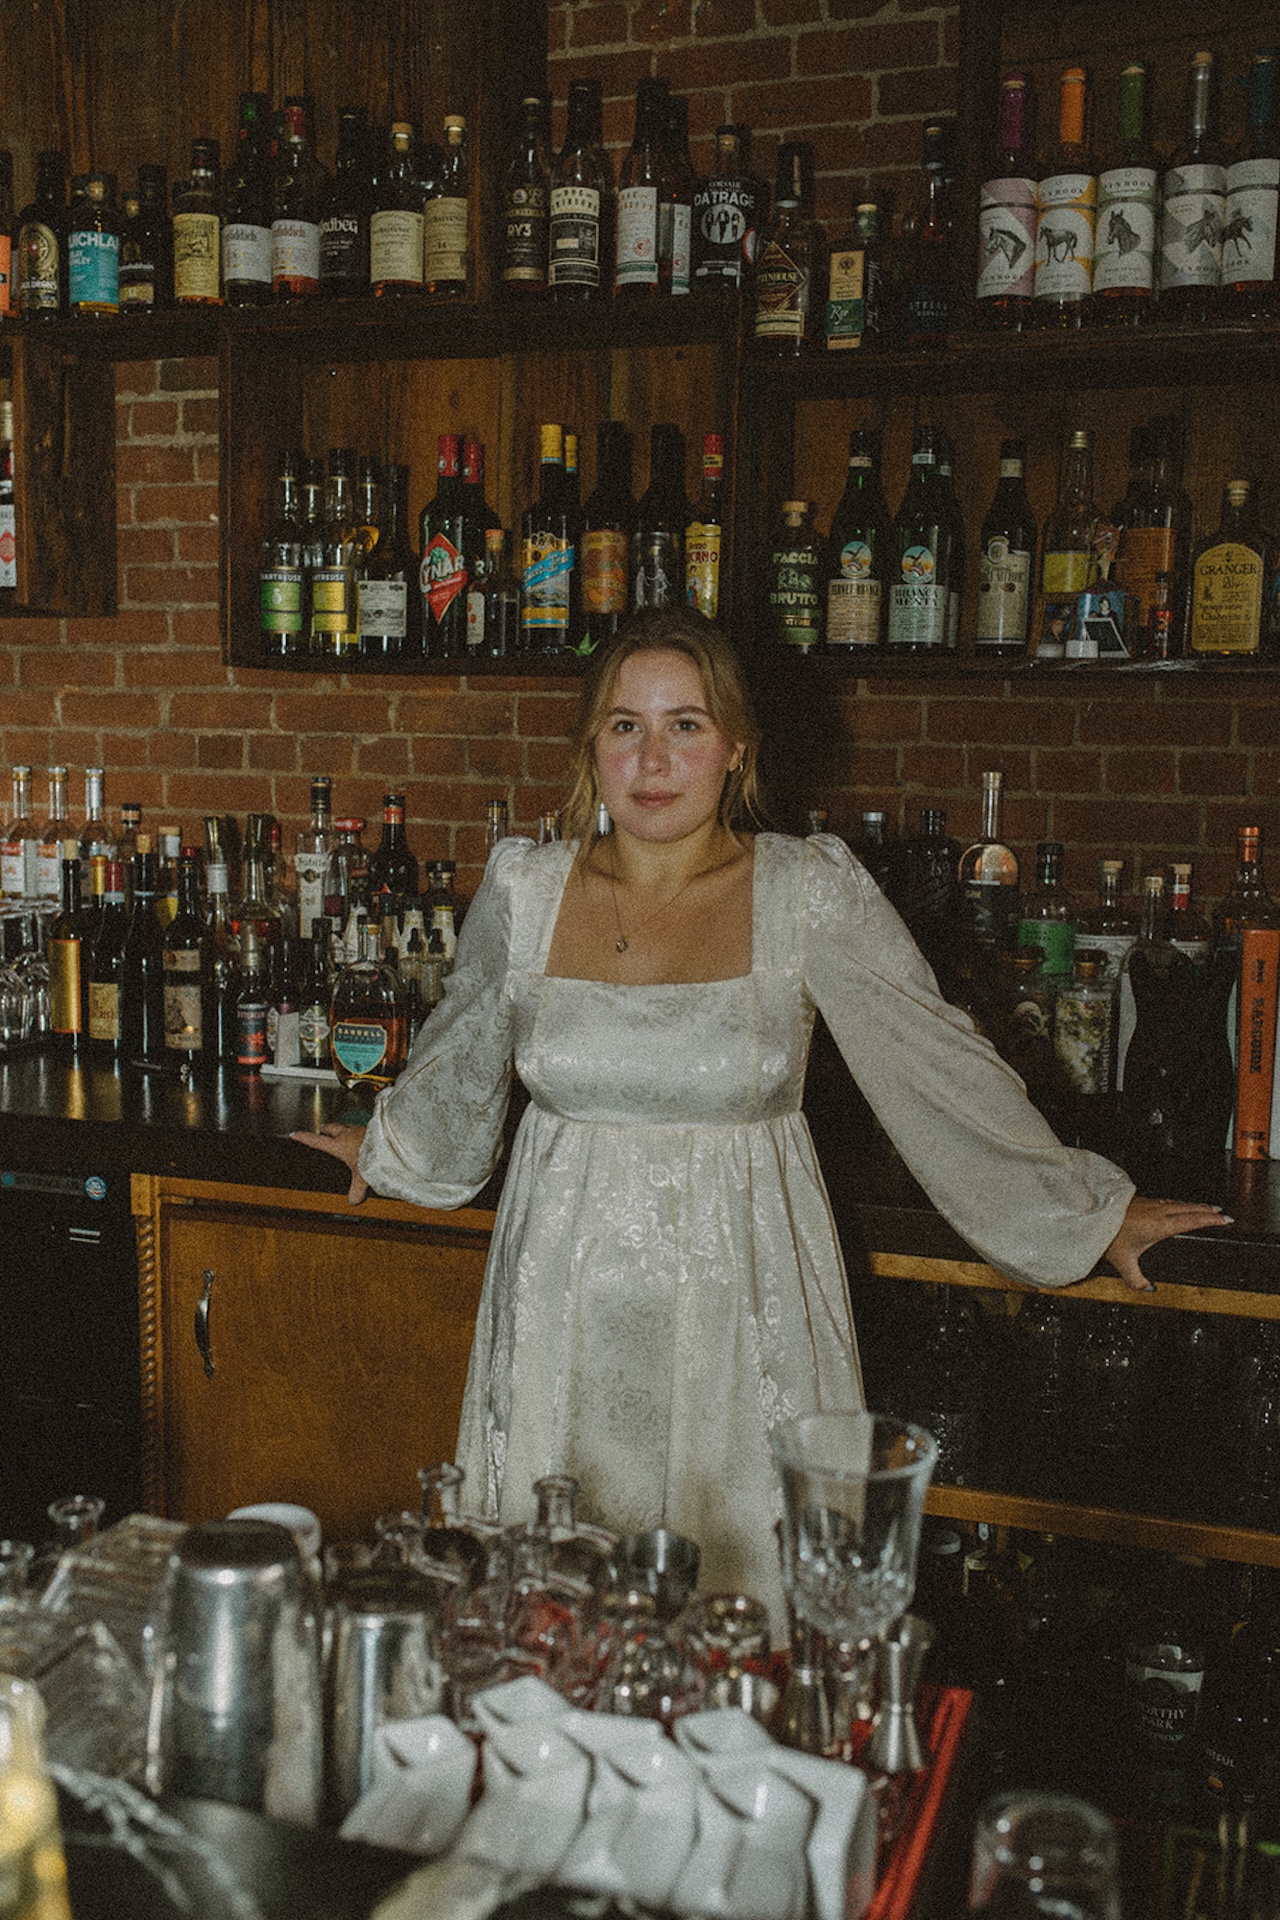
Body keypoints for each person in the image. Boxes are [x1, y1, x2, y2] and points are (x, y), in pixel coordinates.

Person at [293, 607, 1228, 1632]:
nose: (653, 759)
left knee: (737, 1603)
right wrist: (390, 1147)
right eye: (623, 727)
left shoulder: (803, 890)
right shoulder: (523, 888)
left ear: (734, 746)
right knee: (555, 1602)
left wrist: (1088, 1213)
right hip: (560, 1304)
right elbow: (459, 1057)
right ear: (587, 748)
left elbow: (936, 1063)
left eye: (685, 725)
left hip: (741, 1306)